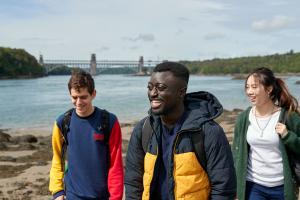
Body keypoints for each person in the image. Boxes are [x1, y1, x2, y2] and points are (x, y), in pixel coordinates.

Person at [125, 61, 236, 200]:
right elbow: (133, 181)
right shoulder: (144, 129)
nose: (153, 93)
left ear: (181, 92)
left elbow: (224, 188)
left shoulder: (208, 132)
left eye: (160, 87)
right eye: (150, 87)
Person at [49, 70, 124, 200]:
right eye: (74, 97)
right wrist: (58, 191)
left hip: (102, 196)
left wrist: (115, 197)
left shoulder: (110, 122)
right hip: (72, 195)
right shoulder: (62, 122)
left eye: (83, 97)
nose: (78, 102)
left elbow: (115, 165)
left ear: (93, 94)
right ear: (70, 95)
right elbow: (57, 160)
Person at [232, 67, 300, 200]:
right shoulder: (243, 119)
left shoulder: (289, 117)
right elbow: (236, 154)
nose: (249, 92)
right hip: (253, 186)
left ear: (269, 89)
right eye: (247, 87)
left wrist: (288, 136)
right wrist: (236, 188)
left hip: (282, 188)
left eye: (254, 87)